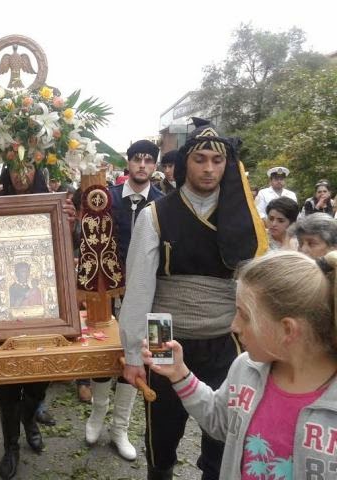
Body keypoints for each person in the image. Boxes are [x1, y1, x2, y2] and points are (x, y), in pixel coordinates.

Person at [121, 118, 266, 480]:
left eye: (217, 161)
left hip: (226, 337)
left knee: (222, 433)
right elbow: (139, 289)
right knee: (163, 427)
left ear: (227, 165)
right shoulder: (156, 215)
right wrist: (133, 355)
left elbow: (257, 285)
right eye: (200, 159)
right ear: (185, 163)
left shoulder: (245, 219)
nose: (209, 168)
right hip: (163, 332)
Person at [142, 250, 337, 480]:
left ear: (287, 330)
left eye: (243, 315)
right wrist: (179, 374)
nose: (233, 325)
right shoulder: (245, 369)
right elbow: (219, 420)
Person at [0, 163, 76, 479]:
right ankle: (11, 445)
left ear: (37, 171)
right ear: (6, 172)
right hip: (2, 315)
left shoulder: (54, 203)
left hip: (47, 313)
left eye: (27, 169)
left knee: (40, 377)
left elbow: (70, 248)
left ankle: (29, 418)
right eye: (14, 169)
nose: (20, 176)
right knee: (8, 383)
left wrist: (70, 223)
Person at [85, 139, 164, 461]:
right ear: (128, 163)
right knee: (107, 349)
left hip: (151, 295)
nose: (142, 165)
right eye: (137, 159)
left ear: (155, 166)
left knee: (144, 356)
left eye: (148, 160)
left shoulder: (164, 203)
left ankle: (121, 428)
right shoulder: (107, 198)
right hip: (110, 292)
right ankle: (96, 415)